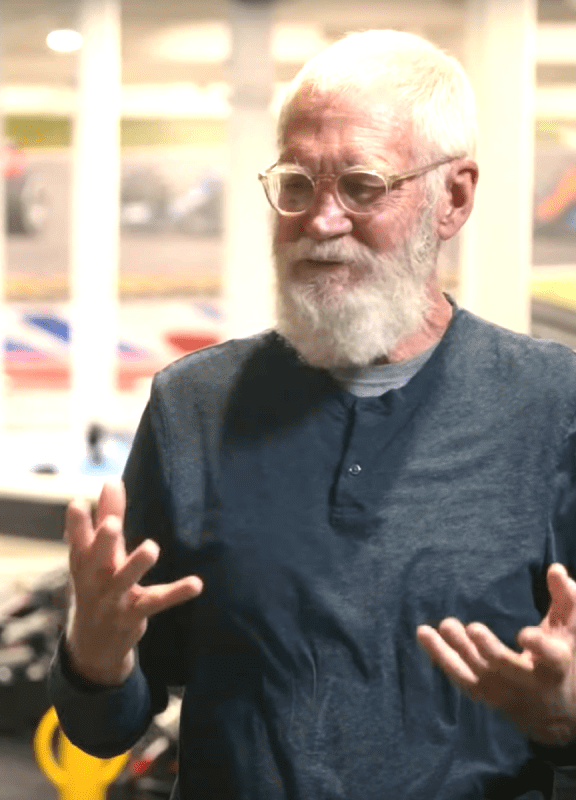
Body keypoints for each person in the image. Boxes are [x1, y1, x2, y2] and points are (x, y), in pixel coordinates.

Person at [49, 29, 576, 799]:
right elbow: (104, 728)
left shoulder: (554, 408)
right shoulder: (193, 407)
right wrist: (93, 656)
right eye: (297, 183)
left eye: (362, 185)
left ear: (453, 197)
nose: (321, 219)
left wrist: (565, 719)